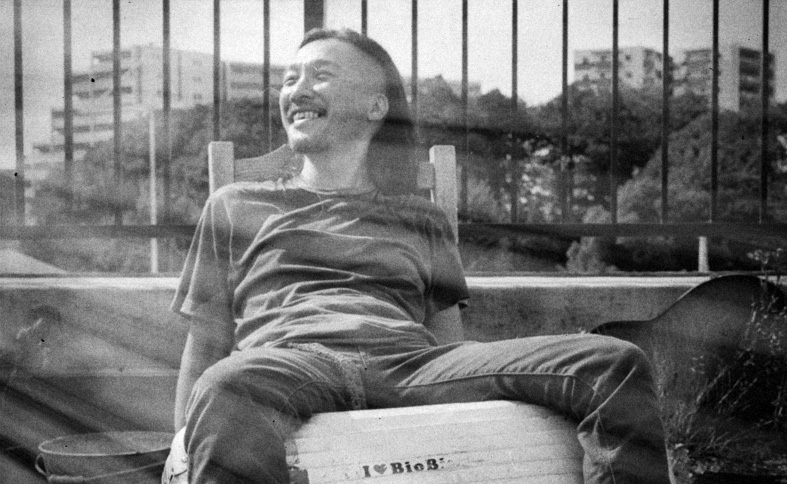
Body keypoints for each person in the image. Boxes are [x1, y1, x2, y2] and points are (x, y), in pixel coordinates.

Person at [171, 28, 671, 484]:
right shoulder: (235, 205)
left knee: (614, 363)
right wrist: (181, 449)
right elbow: (205, 344)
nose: (296, 90)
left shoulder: (420, 218)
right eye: (289, 79)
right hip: (290, 363)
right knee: (227, 386)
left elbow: (449, 343)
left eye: (321, 75)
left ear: (376, 106)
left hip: (411, 366)